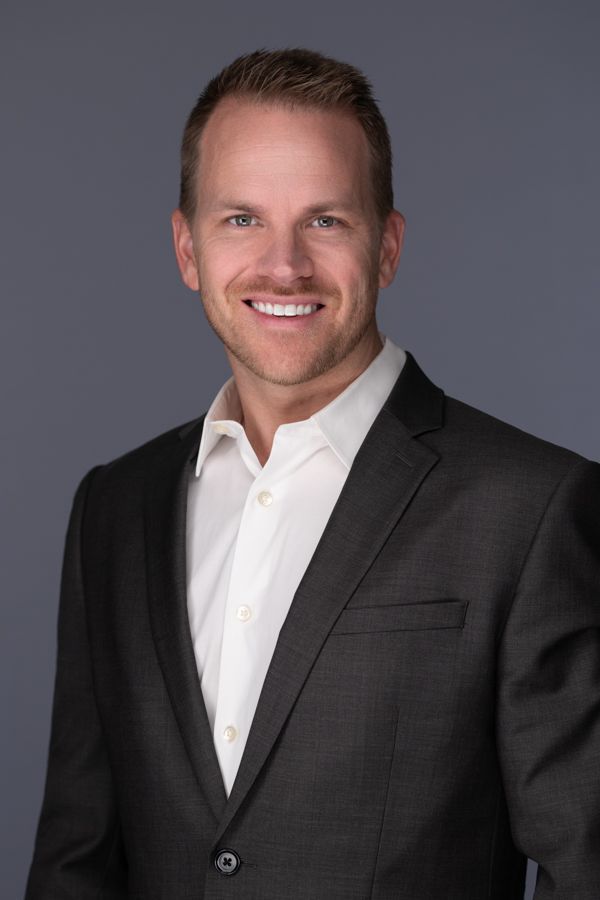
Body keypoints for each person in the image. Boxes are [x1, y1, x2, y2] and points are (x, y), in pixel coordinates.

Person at [26, 48, 600, 899]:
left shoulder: (532, 506)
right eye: (241, 220)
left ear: (388, 246)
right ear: (187, 249)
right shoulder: (113, 508)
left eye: (326, 221)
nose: (285, 265)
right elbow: (75, 861)